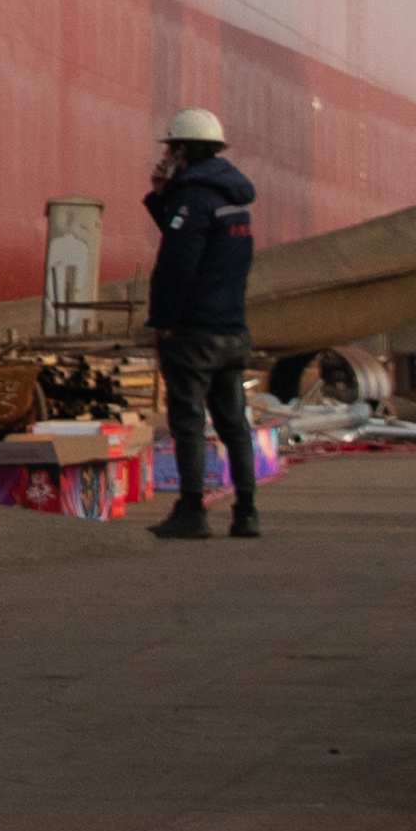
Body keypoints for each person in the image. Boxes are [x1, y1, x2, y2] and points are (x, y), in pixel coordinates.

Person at [143, 106, 262, 541]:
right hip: (233, 329)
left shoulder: (194, 199)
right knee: (234, 424)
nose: (166, 156)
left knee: (189, 421)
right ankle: (246, 512)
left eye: (171, 148)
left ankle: (191, 511)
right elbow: (195, 241)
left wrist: (165, 322)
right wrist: (161, 197)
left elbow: (178, 264)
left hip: (195, 333)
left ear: (183, 150)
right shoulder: (231, 198)